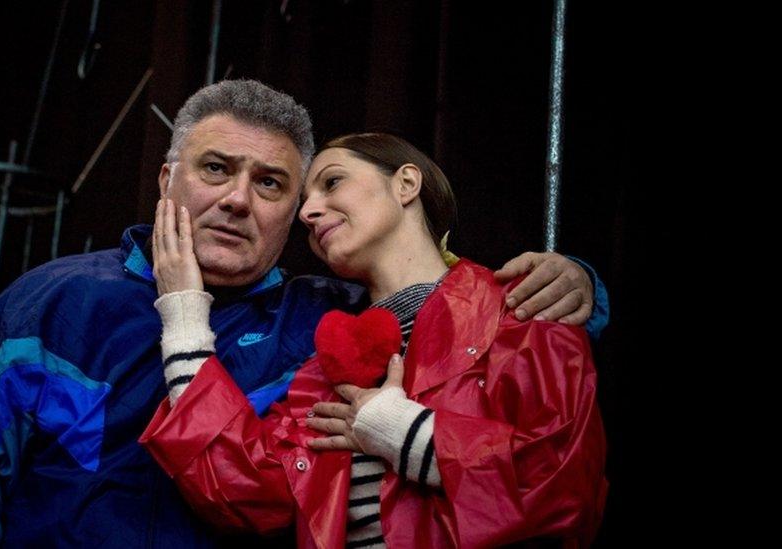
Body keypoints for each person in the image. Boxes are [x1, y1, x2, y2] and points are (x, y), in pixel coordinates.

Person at [0, 80, 603, 547]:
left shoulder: (327, 326)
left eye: (270, 183)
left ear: (294, 214)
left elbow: (460, 320)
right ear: (168, 177)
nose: (237, 199)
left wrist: (580, 288)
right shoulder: (51, 301)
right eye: (214, 169)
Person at [140, 132, 607, 548]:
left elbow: (563, 486)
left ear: (406, 184)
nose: (308, 211)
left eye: (332, 182)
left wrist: (399, 430)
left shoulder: (525, 305)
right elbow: (244, 491)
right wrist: (184, 312)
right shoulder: (325, 365)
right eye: (304, 200)